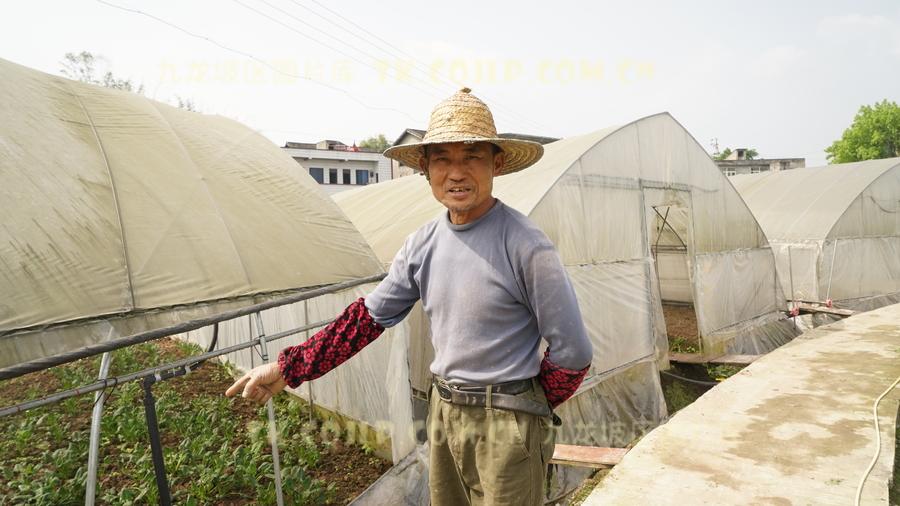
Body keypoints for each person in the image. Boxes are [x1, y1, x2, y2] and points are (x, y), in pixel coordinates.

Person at [226, 88, 593, 506]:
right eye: (442, 158)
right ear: (425, 168)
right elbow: (365, 320)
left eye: (471, 156)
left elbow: (573, 351)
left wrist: (523, 407)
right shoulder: (424, 243)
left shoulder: (526, 244)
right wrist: (288, 367)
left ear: (497, 163)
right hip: (444, 412)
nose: (456, 173)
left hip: (507, 422)